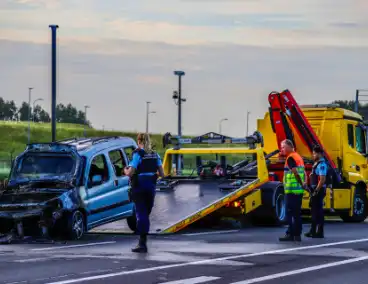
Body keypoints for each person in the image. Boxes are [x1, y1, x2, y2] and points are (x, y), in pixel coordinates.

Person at [124, 133, 165, 253]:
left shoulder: (138, 154)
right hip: (151, 186)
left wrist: (125, 170)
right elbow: (162, 174)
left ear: (138, 141)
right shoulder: (155, 154)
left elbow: (131, 172)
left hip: (139, 186)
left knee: (141, 213)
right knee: (146, 212)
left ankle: (142, 243)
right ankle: (143, 240)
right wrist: (152, 176)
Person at [279, 139, 307, 242]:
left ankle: (290, 234)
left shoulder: (290, 158)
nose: (282, 149)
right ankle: (297, 234)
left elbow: (295, 173)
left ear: (290, 146)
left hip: (291, 191)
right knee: (297, 213)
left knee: (289, 214)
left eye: (283, 147)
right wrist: (304, 184)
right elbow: (303, 172)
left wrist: (301, 183)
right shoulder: (298, 157)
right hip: (298, 191)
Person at [305, 145, 327, 238]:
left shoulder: (322, 165)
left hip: (318, 190)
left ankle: (319, 231)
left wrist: (316, 191)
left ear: (319, 154)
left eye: (314, 153)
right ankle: (313, 230)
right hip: (314, 189)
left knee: (318, 211)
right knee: (314, 210)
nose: (313, 155)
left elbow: (322, 179)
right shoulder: (317, 163)